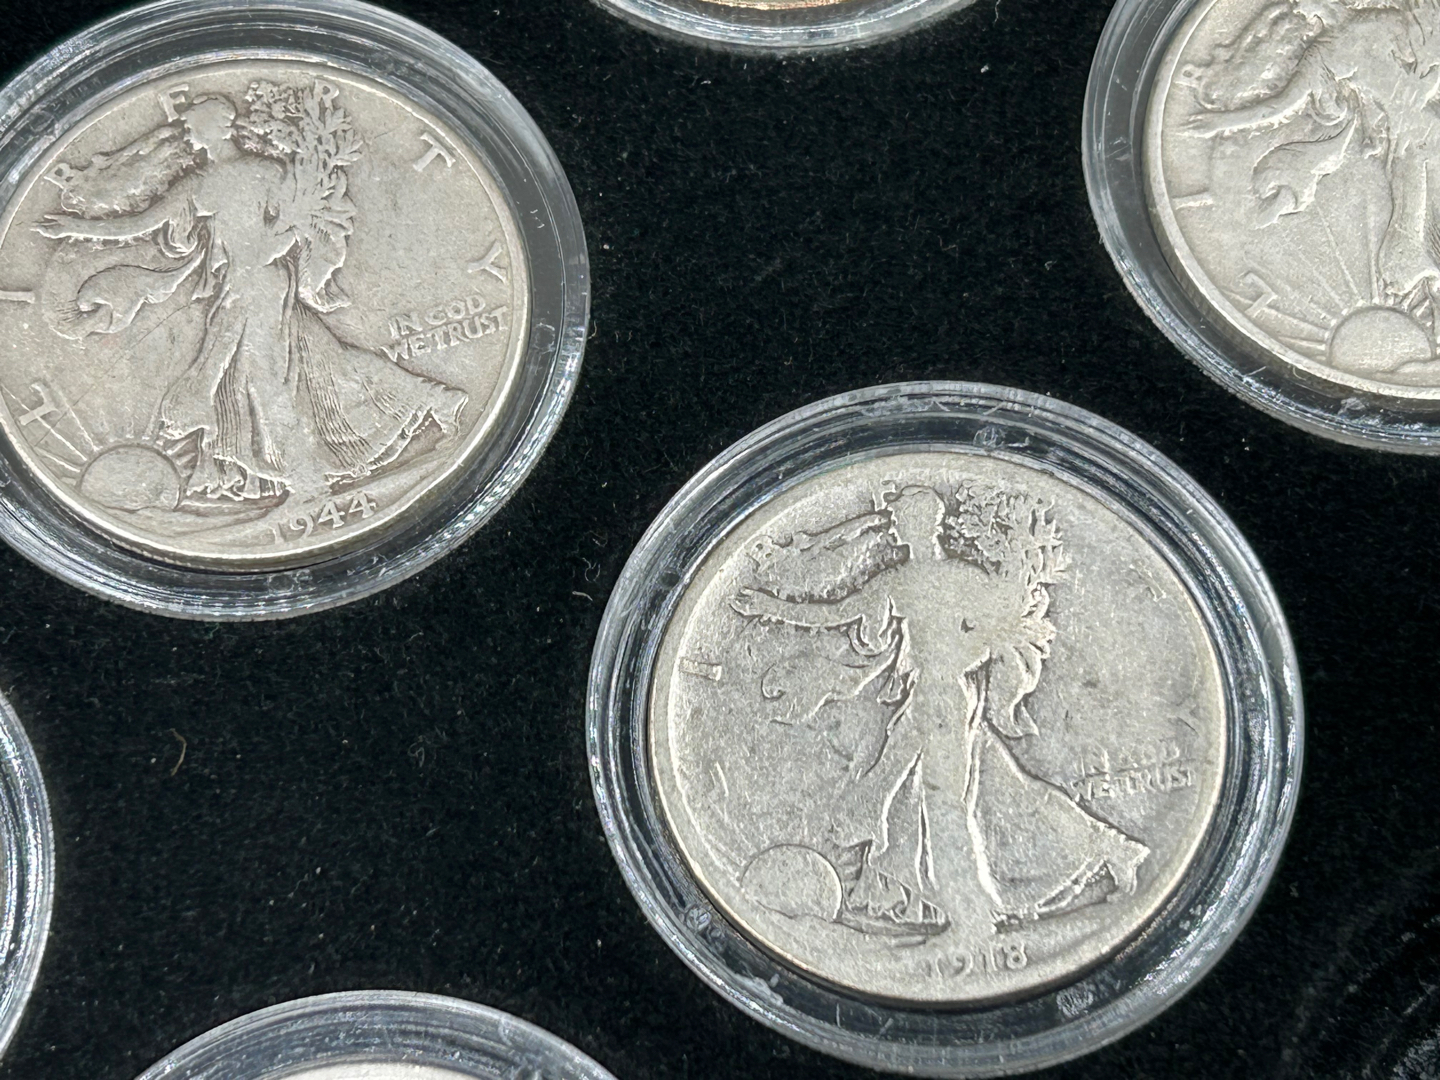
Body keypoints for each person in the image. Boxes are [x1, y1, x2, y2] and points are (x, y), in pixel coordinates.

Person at [731, 481, 1148, 935]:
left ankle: (973, 919)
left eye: (899, 518)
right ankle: (1110, 847)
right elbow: (834, 614)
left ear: (921, 523)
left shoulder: (946, 580)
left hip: (944, 700)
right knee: (998, 790)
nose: (893, 526)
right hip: (933, 698)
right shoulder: (909, 581)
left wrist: (955, 661)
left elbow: (1000, 632)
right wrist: (768, 606)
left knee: (943, 806)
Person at [35, 84, 467, 507]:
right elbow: (139, 224)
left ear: (220, 127)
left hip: (262, 284)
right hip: (239, 284)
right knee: (325, 361)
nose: (189, 133)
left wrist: (270, 247)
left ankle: (307, 483)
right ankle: (437, 398)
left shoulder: (265, 172)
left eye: (195, 124)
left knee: (265, 383)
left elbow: (298, 224)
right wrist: (76, 227)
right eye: (189, 126)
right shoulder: (199, 184)